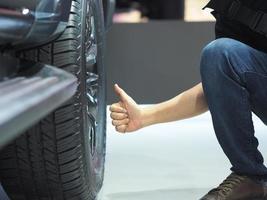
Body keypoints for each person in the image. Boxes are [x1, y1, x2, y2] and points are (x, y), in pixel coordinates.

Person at [110, 0, 267, 199]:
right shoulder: (237, 8)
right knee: (219, 54)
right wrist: (145, 116)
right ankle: (249, 175)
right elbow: (226, 79)